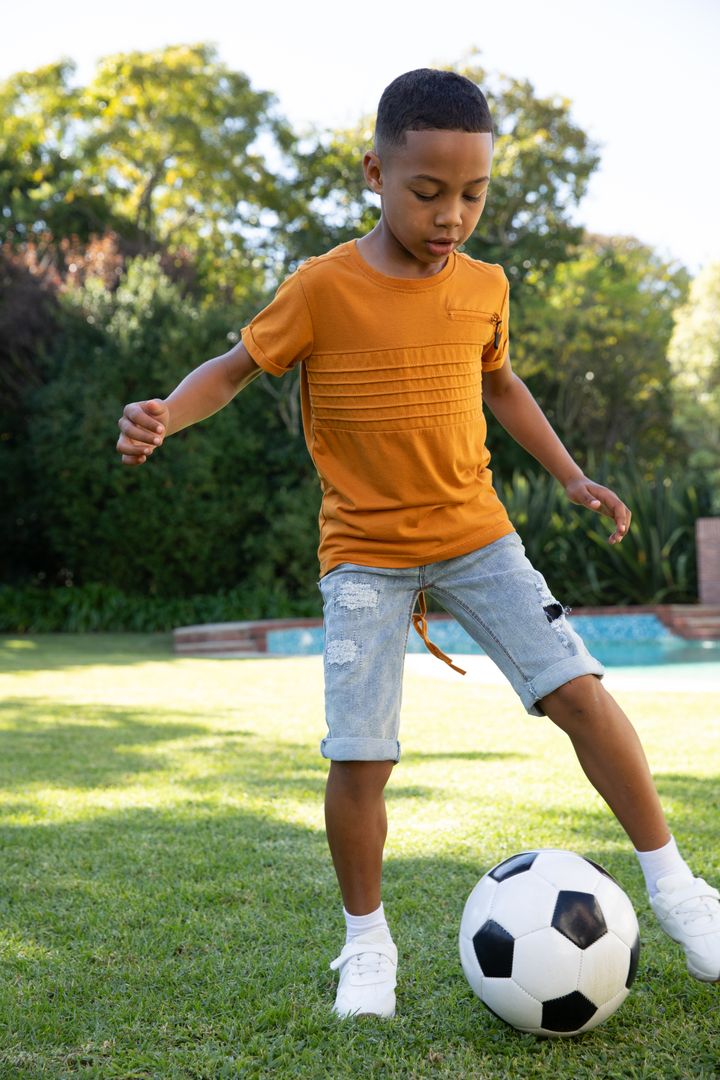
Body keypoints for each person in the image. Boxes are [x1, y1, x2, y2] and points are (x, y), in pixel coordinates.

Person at [116, 67, 720, 1019]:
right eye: (428, 192)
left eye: (474, 193)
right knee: (360, 755)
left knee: (581, 693)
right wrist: (165, 416)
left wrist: (569, 474)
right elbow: (232, 371)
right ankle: (367, 947)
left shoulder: (485, 285)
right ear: (375, 173)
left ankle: (681, 893)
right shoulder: (322, 287)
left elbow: (503, 383)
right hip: (363, 555)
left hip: (479, 537)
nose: (452, 216)